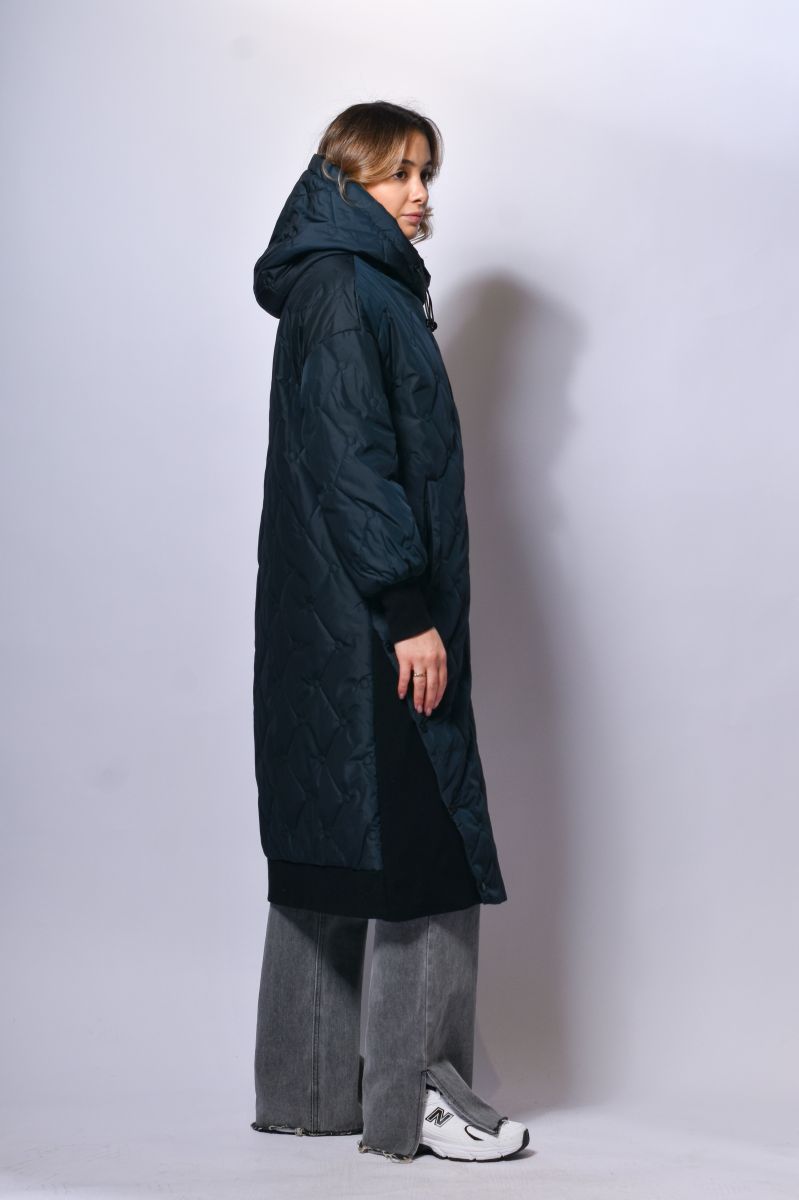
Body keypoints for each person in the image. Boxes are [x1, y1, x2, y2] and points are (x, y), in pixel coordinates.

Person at [249, 101, 529, 1163]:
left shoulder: (347, 283)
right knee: (426, 852)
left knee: (331, 852)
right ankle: (418, 1099)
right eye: (398, 173)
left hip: (325, 626)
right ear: (344, 178)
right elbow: (352, 457)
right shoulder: (346, 286)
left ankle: (306, 1093)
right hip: (372, 625)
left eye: (425, 175)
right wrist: (407, 610)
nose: (419, 195)